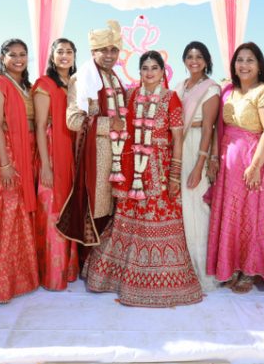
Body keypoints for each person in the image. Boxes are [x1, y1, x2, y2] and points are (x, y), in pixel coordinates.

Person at [84, 51, 202, 307]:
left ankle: (164, 281)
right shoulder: (132, 96)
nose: (149, 72)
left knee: (158, 218)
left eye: (154, 68)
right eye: (145, 68)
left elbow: (177, 138)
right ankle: (119, 276)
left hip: (159, 168)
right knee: (127, 221)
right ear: (139, 72)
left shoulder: (171, 99)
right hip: (133, 168)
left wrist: (174, 173)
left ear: (163, 72)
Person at [206, 42, 264, 293]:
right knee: (231, 214)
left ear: (259, 65)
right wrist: (214, 158)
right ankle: (231, 267)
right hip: (229, 163)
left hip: (254, 161)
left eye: (250, 60)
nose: (244, 65)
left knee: (252, 214)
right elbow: (220, 128)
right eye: (240, 60)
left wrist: (256, 165)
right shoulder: (228, 91)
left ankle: (250, 270)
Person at [57, 20, 127, 247]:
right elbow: (73, 120)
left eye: (113, 49)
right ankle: (89, 264)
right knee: (97, 207)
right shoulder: (82, 78)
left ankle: (107, 264)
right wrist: (108, 124)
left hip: (118, 156)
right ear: (92, 52)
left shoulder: (116, 78)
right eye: (103, 50)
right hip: (95, 157)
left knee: (114, 207)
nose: (109, 55)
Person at [0, 39, 40, 302]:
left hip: (27, 152)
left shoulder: (27, 86)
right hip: (7, 154)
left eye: (23, 54)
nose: (18, 59)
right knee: (8, 212)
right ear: (2, 56)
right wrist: (5, 165)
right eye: (12, 54)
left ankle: (24, 277)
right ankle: (4, 283)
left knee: (22, 213)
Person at [32, 38, 79, 290]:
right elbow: (40, 126)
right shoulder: (44, 84)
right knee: (52, 208)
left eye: (69, 52)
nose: (64, 56)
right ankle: (52, 273)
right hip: (52, 149)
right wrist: (46, 165)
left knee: (68, 205)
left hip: (70, 151)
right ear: (52, 56)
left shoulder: (74, 84)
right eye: (60, 51)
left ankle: (68, 269)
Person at [174, 42, 220, 292]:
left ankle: (204, 273)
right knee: (182, 210)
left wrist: (200, 164)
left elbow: (208, 129)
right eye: (190, 56)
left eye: (199, 57)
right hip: (179, 147)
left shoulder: (210, 88)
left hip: (195, 150)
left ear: (206, 61)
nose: (194, 60)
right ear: (184, 59)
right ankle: (184, 269)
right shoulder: (180, 87)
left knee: (198, 210)